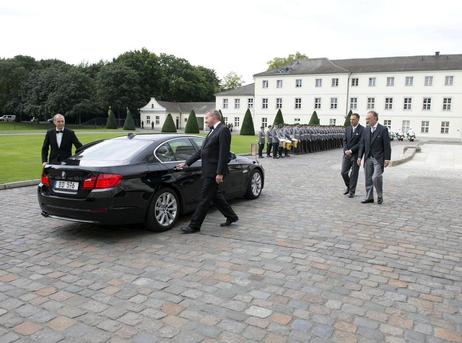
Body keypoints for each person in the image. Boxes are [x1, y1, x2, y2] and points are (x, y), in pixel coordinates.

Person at [176, 110, 238, 234]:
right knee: (215, 196)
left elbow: (223, 154)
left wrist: (220, 173)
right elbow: (202, 152)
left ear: (214, 117)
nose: (205, 120)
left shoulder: (223, 130)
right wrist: (187, 163)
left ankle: (194, 225)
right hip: (208, 170)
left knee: (204, 198)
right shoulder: (212, 131)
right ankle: (231, 216)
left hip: (214, 172)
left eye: (207, 118)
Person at [357, 111, 391, 204]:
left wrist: (387, 158)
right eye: (366, 119)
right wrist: (359, 157)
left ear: (375, 118)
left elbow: (387, 145)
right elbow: (362, 145)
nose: (367, 120)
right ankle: (369, 197)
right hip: (368, 157)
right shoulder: (366, 130)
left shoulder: (383, 129)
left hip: (378, 158)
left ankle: (380, 195)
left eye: (369, 118)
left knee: (376, 177)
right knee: (368, 179)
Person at [341, 113, 364, 198]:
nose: (351, 121)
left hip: (355, 154)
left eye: (353, 119)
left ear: (358, 119)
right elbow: (344, 141)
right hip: (347, 154)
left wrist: (351, 150)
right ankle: (348, 186)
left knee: (354, 174)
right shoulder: (347, 128)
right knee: (343, 172)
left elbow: (361, 143)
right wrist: (346, 150)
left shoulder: (362, 129)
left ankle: (352, 191)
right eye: (350, 119)